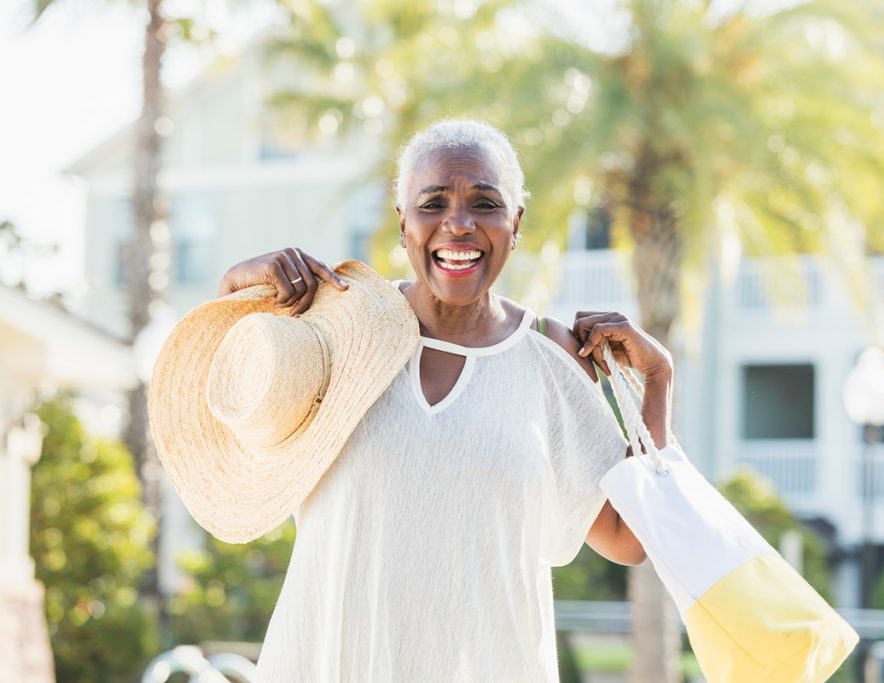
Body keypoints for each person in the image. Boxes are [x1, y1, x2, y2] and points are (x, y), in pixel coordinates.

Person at [216, 120, 674, 681]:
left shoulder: (553, 356)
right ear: (403, 222)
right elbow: (232, 409)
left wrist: (658, 379)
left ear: (516, 224)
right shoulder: (337, 329)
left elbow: (629, 538)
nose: (458, 225)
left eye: (484, 203)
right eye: (433, 204)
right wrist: (237, 284)